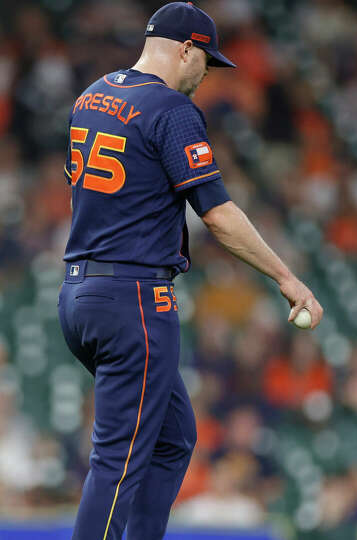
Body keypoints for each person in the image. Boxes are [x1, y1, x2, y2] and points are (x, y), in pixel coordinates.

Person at [57, 3, 323, 539]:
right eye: (206, 61)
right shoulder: (171, 109)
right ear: (185, 49)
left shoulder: (93, 95)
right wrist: (286, 278)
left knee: (174, 438)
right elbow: (220, 216)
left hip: (81, 293)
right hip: (132, 298)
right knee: (117, 462)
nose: (206, 75)